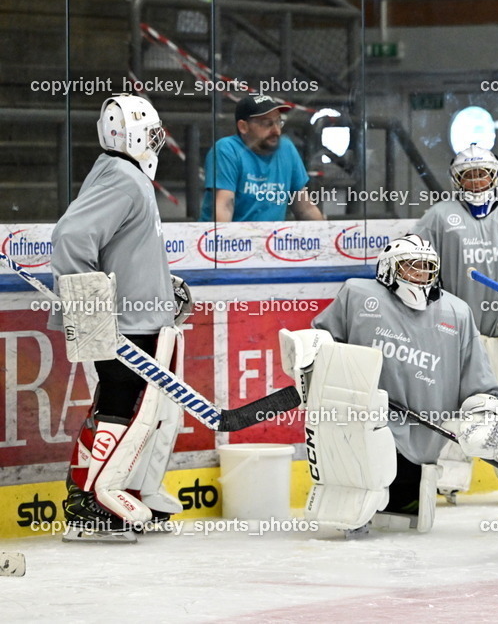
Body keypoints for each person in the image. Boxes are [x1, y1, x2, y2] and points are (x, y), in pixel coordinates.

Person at [281, 234, 498, 533]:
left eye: (427, 268)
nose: (420, 275)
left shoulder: (456, 312)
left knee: (410, 521)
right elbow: (324, 342)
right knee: (356, 499)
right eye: (411, 267)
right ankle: (349, 519)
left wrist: (484, 412)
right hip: (364, 422)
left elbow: (477, 377)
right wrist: (308, 355)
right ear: (389, 269)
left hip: (422, 433)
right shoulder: (358, 295)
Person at [50, 94, 189, 542]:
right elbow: (71, 237)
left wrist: (161, 289)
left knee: (141, 411)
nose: (157, 141)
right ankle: (90, 501)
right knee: (120, 408)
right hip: (127, 326)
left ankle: (123, 488)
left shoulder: (120, 174)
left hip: (140, 320)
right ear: (127, 134)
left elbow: (122, 251)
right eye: (150, 133)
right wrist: (92, 313)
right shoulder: (125, 177)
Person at [410, 144, 498, 496]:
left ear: (496, 175)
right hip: (458, 336)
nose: (476, 181)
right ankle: (447, 481)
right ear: (456, 180)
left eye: (482, 174)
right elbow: (416, 267)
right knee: (453, 408)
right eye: (468, 175)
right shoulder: (439, 217)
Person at [200, 94, 324, 221]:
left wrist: (325, 234)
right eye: (267, 124)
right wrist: (224, 240)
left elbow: (305, 208)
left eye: (278, 122)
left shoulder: (286, 148)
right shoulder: (226, 149)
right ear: (243, 127)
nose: (276, 131)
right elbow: (225, 206)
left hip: (271, 238)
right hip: (235, 238)